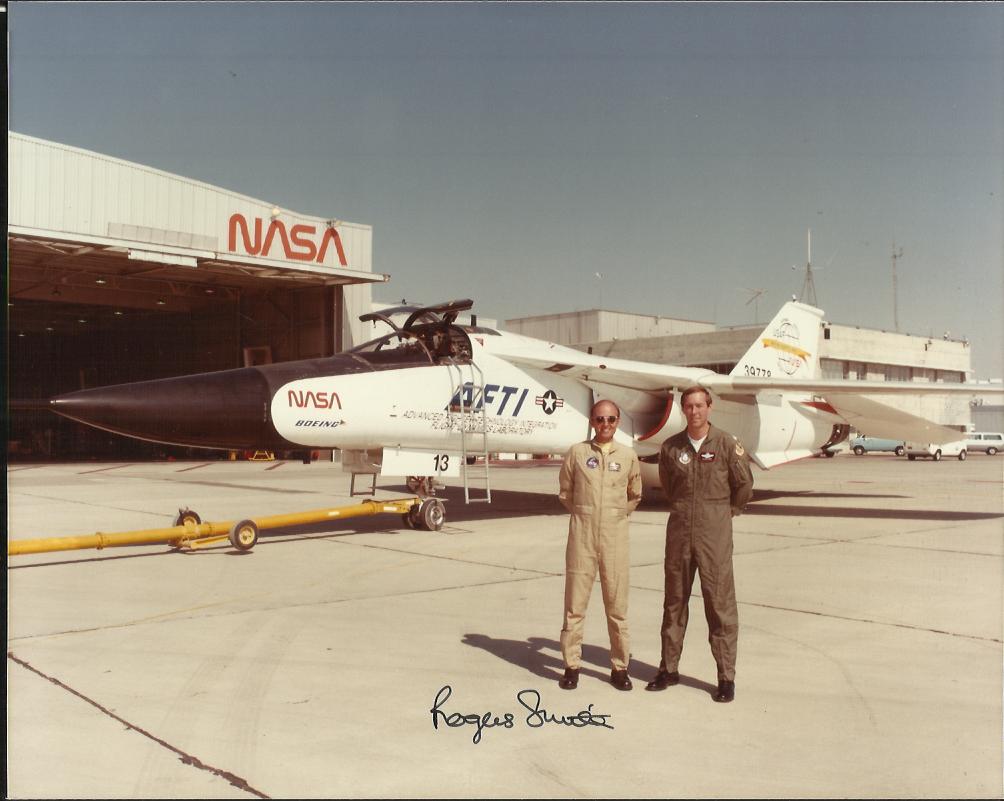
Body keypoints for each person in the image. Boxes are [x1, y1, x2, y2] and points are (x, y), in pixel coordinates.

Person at [646, 386, 753, 703]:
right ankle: (669, 669)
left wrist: (724, 512)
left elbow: (744, 485)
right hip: (680, 530)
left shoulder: (725, 443)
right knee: (674, 601)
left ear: (710, 407)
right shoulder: (670, 447)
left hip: (714, 533)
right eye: (689, 407)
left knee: (719, 604)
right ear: (683, 410)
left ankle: (725, 676)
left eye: (699, 406)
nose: (694, 412)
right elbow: (668, 483)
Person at [557, 399, 642, 691]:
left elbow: (635, 494)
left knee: (617, 607)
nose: (605, 424)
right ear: (592, 421)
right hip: (582, 536)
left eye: (611, 419)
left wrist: (615, 517)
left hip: (614, 539)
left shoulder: (629, 456)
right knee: (575, 606)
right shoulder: (577, 453)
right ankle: (571, 666)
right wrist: (585, 514)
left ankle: (620, 667)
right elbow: (565, 491)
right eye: (600, 419)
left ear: (618, 422)